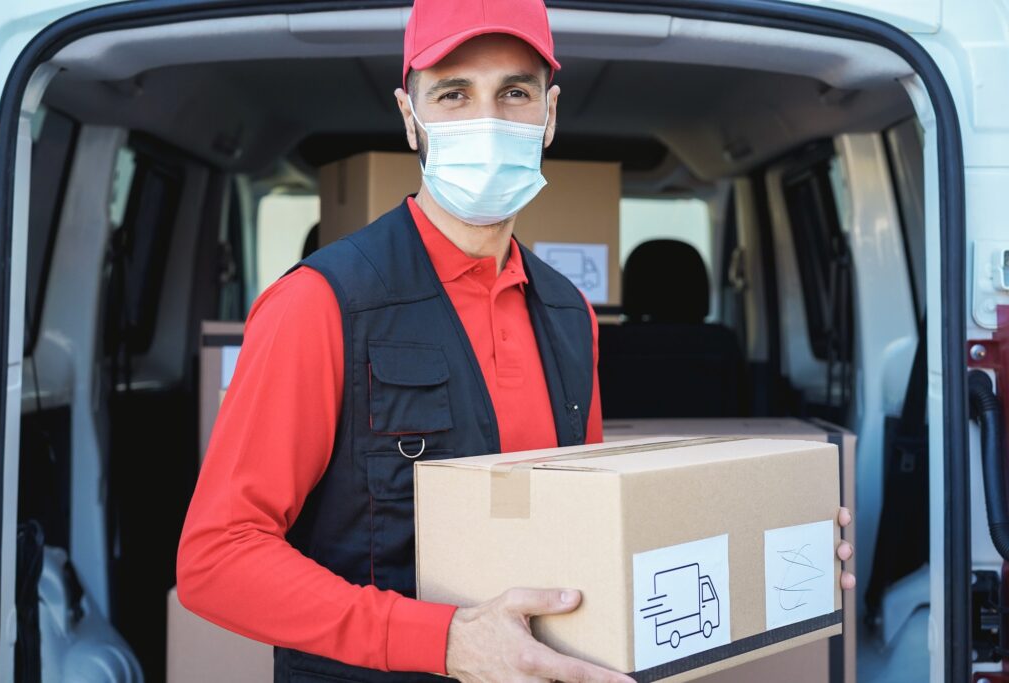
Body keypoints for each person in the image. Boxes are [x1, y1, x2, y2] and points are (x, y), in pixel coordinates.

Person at [176, 0, 856, 681]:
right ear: (410, 118)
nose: (488, 120)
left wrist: (776, 543)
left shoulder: (568, 313)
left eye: (514, 93)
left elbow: (591, 522)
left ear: (549, 115)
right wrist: (444, 641)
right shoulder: (320, 303)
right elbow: (216, 559)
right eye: (453, 93)